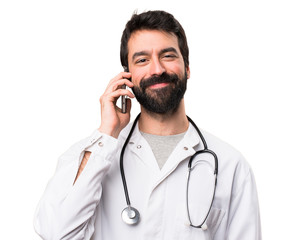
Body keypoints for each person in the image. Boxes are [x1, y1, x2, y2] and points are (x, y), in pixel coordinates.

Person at [34, 10, 261, 240]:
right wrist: (107, 133)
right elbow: (55, 233)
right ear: (127, 76)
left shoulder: (230, 165)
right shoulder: (95, 154)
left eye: (168, 56)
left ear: (188, 68)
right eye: (142, 60)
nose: (157, 69)